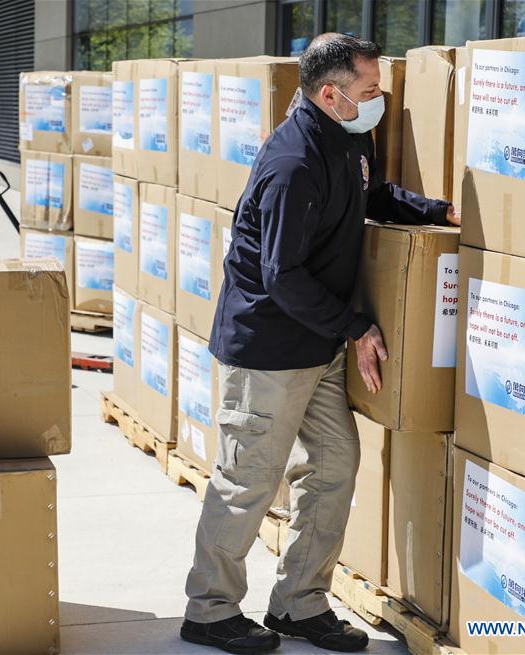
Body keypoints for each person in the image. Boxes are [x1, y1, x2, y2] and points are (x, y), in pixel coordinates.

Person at [180, 33, 461, 654]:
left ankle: (299, 605)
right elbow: (282, 275)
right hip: (269, 350)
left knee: (335, 466)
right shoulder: (292, 164)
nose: (378, 99)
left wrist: (436, 211)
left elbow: (371, 193)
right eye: (368, 90)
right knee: (248, 479)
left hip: (318, 342)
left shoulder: (346, 137)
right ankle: (209, 610)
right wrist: (356, 327)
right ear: (331, 94)